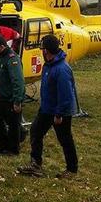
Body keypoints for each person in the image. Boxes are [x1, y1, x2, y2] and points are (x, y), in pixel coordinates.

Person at [17, 34, 78, 179]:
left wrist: (59, 115)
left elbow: (66, 95)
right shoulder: (48, 65)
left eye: (42, 48)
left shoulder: (61, 69)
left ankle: (72, 169)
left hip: (59, 111)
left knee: (65, 139)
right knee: (36, 132)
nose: (41, 51)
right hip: (46, 108)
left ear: (46, 50)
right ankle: (35, 164)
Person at [0, 34, 25, 155]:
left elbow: (18, 81)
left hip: (10, 98)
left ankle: (13, 149)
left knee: (13, 124)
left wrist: (17, 101)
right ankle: (3, 144)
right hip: (0, 96)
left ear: (1, 47)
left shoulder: (12, 59)